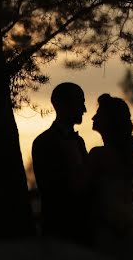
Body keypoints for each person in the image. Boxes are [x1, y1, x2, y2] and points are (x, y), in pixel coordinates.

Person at [32, 82, 91, 245]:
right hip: (59, 231)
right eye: (80, 102)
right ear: (61, 104)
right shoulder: (43, 142)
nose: (84, 109)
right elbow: (51, 189)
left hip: (83, 231)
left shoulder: (79, 142)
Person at [88, 94, 133, 260]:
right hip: (132, 228)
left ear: (109, 120)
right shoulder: (129, 154)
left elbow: (77, 186)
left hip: (111, 232)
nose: (93, 117)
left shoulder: (99, 155)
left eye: (99, 114)